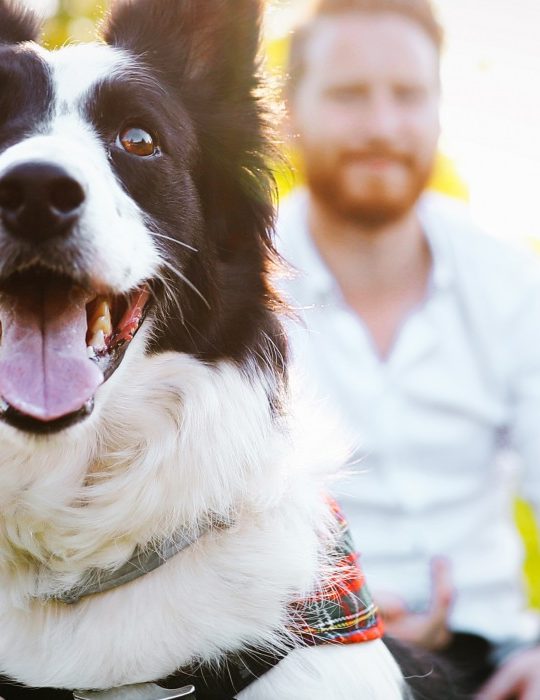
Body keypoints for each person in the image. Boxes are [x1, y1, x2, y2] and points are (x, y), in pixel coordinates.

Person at [275, 0, 540, 697]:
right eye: (350, 95)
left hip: (493, 663)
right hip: (296, 657)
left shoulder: (512, 284)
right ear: (290, 110)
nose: (383, 126)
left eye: (408, 95)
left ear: (439, 109)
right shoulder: (227, 291)